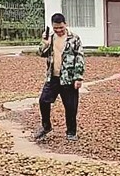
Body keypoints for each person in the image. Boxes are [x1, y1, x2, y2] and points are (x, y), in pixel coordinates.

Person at [34, 12, 85, 142]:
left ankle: (71, 132)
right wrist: (45, 43)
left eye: (61, 27)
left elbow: (79, 58)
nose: (59, 30)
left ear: (65, 24)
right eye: (56, 28)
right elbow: (40, 53)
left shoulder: (74, 39)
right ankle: (46, 127)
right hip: (53, 77)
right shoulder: (50, 38)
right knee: (43, 101)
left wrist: (78, 77)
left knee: (71, 107)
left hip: (68, 78)